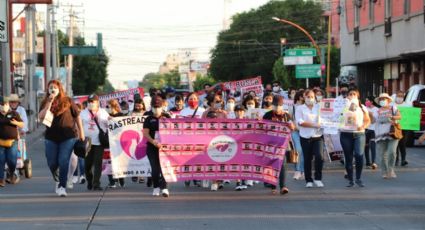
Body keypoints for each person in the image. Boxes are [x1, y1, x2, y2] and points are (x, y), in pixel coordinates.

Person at [38, 80, 85, 197]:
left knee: (63, 161)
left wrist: (81, 132)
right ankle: (58, 179)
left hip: (68, 137)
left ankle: (62, 186)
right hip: (51, 137)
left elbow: (77, 116)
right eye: (50, 88)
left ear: (59, 89)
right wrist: (49, 102)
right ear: (48, 90)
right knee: (52, 163)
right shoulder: (45, 102)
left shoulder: (68, 101)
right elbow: (41, 117)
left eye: (55, 87)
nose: (52, 89)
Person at [263, 96, 295, 195]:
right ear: (272, 105)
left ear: (282, 105)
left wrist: (291, 126)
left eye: (280, 105)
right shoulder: (267, 115)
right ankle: (273, 185)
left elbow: (293, 128)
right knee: (272, 164)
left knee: (282, 163)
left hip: (283, 143)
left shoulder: (286, 115)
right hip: (271, 143)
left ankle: (283, 186)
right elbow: (263, 128)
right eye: (276, 105)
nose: (277, 107)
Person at [339, 88, 370, 187]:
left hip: (359, 133)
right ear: (347, 96)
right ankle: (351, 179)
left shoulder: (362, 107)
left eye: (354, 94)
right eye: (350, 94)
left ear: (358, 96)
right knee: (348, 157)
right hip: (345, 134)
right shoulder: (342, 106)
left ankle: (358, 178)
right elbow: (336, 118)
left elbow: (367, 120)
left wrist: (363, 126)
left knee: (359, 155)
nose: (352, 96)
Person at [143, 96, 171, 197]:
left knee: (164, 168)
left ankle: (164, 188)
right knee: (155, 169)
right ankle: (156, 187)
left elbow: (173, 131)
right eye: (154, 107)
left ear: (162, 106)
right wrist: (153, 141)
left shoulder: (167, 117)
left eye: (158, 106)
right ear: (151, 107)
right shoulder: (149, 118)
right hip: (152, 146)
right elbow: (145, 133)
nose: (156, 109)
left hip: (164, 146)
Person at [80, 94, 109, 191]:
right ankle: (89, 180)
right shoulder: (83, 113)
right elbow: (78, 126)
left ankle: (96, 183)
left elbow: (109, 123)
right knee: (87, 165)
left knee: (98, 163)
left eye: (93, 102)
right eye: (90, 101)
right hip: (87, 142)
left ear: (98, 102)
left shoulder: (103, 112)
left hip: (99, 142)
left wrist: (111, 120)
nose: (91, 103)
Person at [297, 89, 324, 188]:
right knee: (307, 159)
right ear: (304, 97)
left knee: (319, 156)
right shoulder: (300, 108)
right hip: (305, 137)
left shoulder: (319, 107)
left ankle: (318, 178)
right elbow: (300, 122)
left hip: (318, 136)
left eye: (312, 97)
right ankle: (308, 180)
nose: (310, 99)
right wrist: (314, 125)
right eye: (308, 97)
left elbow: (327, 118)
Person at [373, 93, 401, 179]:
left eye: (384, 99)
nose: (382, 101)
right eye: (381, 99)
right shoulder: (377, 111)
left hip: (392, 132)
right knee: (382, 154)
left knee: (392, 152)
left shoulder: (393, 108)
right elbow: (373, 120)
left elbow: (399, 117)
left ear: (388, 100)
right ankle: (384, 171)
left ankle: (391, 170)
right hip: (380, 133)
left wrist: (392, 117)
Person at [0, 96, 24, 187]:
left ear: (8, 105)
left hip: (12, 142)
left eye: (5, 104)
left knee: (12, 161)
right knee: (1, 160)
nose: (3, 106)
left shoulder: (14, 113)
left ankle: (11, 173)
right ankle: (1, 179)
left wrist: (15, 123)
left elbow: (22, 124)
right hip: (0, 142)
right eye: (1, 104)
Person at [106, 99, 126, 188]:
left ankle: (121, 178)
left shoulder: (121, 116)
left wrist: (114, 120)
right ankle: (112, 181)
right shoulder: (105, 116)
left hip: (119, 143)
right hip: (108, 142)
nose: (107, 108)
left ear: (113, 106)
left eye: (108, 106)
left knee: (119, 161)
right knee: (108, 162)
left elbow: (124, 128)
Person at [292, 90, 305, 180]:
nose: (304, 97)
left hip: (305, 131)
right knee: (298, 150)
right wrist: (292, 125)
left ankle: (303, 171)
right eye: (303, 95)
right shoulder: (292, 107)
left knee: (304, 151)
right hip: (295, 131)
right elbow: (288, 118)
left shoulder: (306, 107)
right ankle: (297, 170)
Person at [394, 91, 408, 166]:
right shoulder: (392, 105)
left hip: (404, 128)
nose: (400, 98)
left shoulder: (407, 106)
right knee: (395, 144)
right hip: (395, 127)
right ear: (396, 96)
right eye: (398, 96)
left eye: (401, 96)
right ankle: (396, 159)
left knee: (402, 144)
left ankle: (403, 159)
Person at [364, 96, 378, 169]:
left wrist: (371, 115)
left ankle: (374, 162)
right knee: (366, 146)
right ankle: (367, 162)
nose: (366, 102)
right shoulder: (364, 109)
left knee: (373, 146)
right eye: (366, 101)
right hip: (365, 129)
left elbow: (374, 121)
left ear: (371, 101)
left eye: (367, 100)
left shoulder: (376, 110)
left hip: (373, 130)